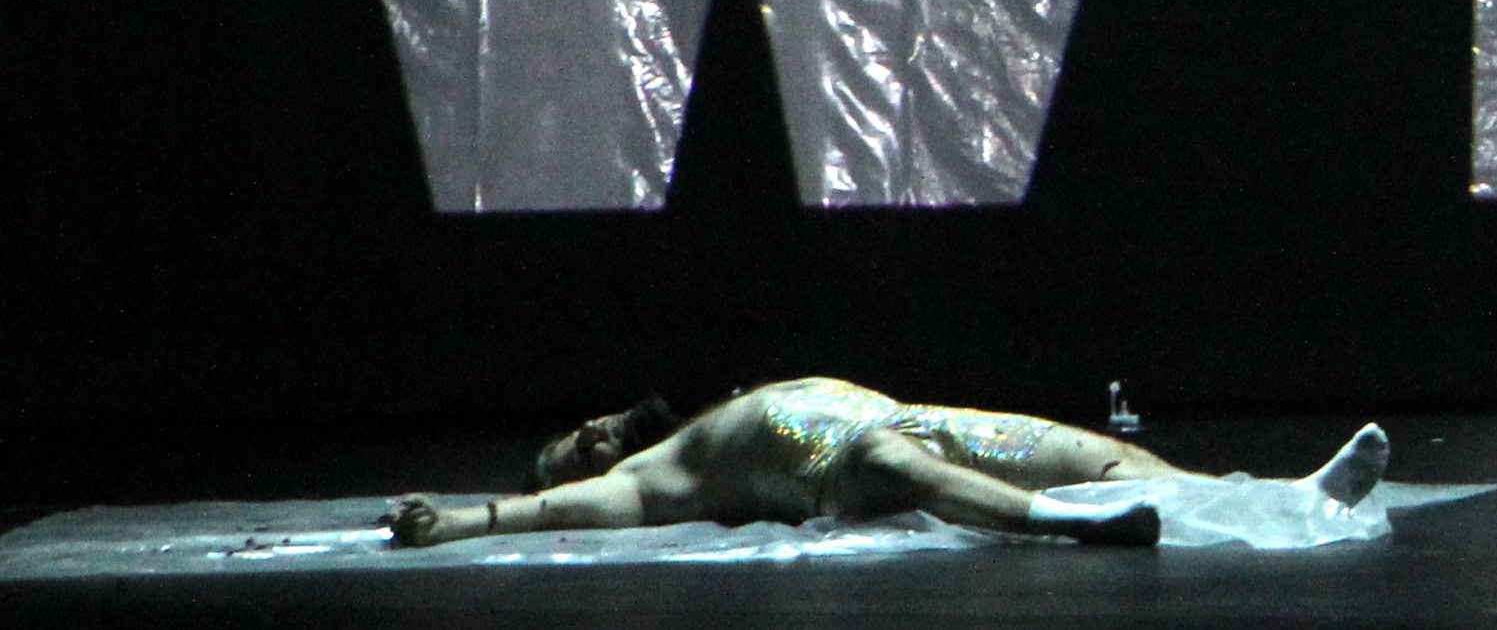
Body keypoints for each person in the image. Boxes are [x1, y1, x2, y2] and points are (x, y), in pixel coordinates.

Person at [383, 380, 1391, 549]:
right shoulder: (647, 476)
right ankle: (1068, 523)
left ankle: (1284, 494)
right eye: (569, 447)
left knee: (1099, 449)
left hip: (919, 417)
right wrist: (462, 520)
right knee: (887, 454)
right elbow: (552, 511)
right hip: (847, 463)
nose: (589, 432)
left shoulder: (706, 410)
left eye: (583, 426)